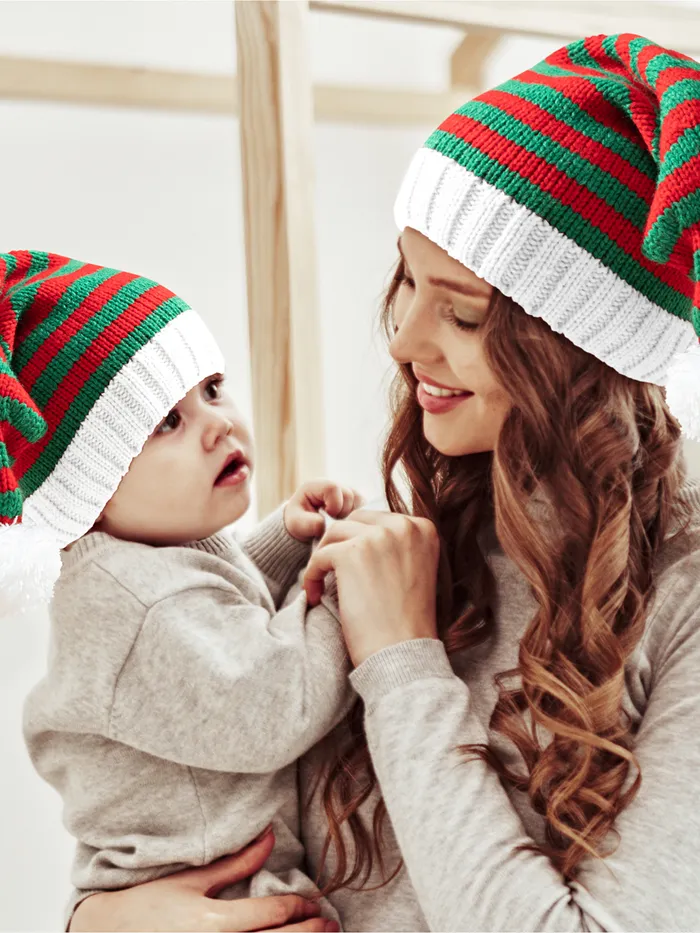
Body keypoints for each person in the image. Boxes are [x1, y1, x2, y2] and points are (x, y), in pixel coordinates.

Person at [67, 32, 700, 932]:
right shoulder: (422, 531)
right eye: (408, 277)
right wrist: (98, 918)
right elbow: (172, 804)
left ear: (581, 350)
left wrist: (403, 667)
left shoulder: (681, 599)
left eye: (465, 311)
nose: (403, 338)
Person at [0, 251, 359, 931]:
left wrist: (285, 539)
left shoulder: (149, 551)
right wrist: (342, 588)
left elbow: (216, 612)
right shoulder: (128, 598)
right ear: (92, 482)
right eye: (168, 422)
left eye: (214, 388)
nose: (218, 422)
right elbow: (274, 702)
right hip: (211, 893)